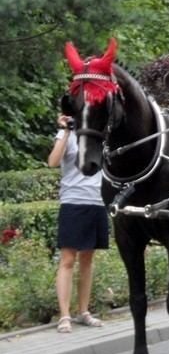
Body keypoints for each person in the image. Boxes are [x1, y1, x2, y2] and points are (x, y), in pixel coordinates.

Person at [48, 112, 109, 333]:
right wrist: (65, 131)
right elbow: (53, 162)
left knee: (87, 259)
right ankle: (64, 316)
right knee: (67, 259)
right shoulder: (66, 135)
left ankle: (84, 312)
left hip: (97, 202)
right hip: (73, 202)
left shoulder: (99, 136)